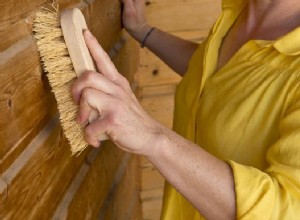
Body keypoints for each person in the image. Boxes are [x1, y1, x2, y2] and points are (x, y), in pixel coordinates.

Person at [71, 0, 300, 219]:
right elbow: (213, 73)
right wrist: (143, 30)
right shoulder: (238, 11)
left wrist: (153, 137)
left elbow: (285, 212)